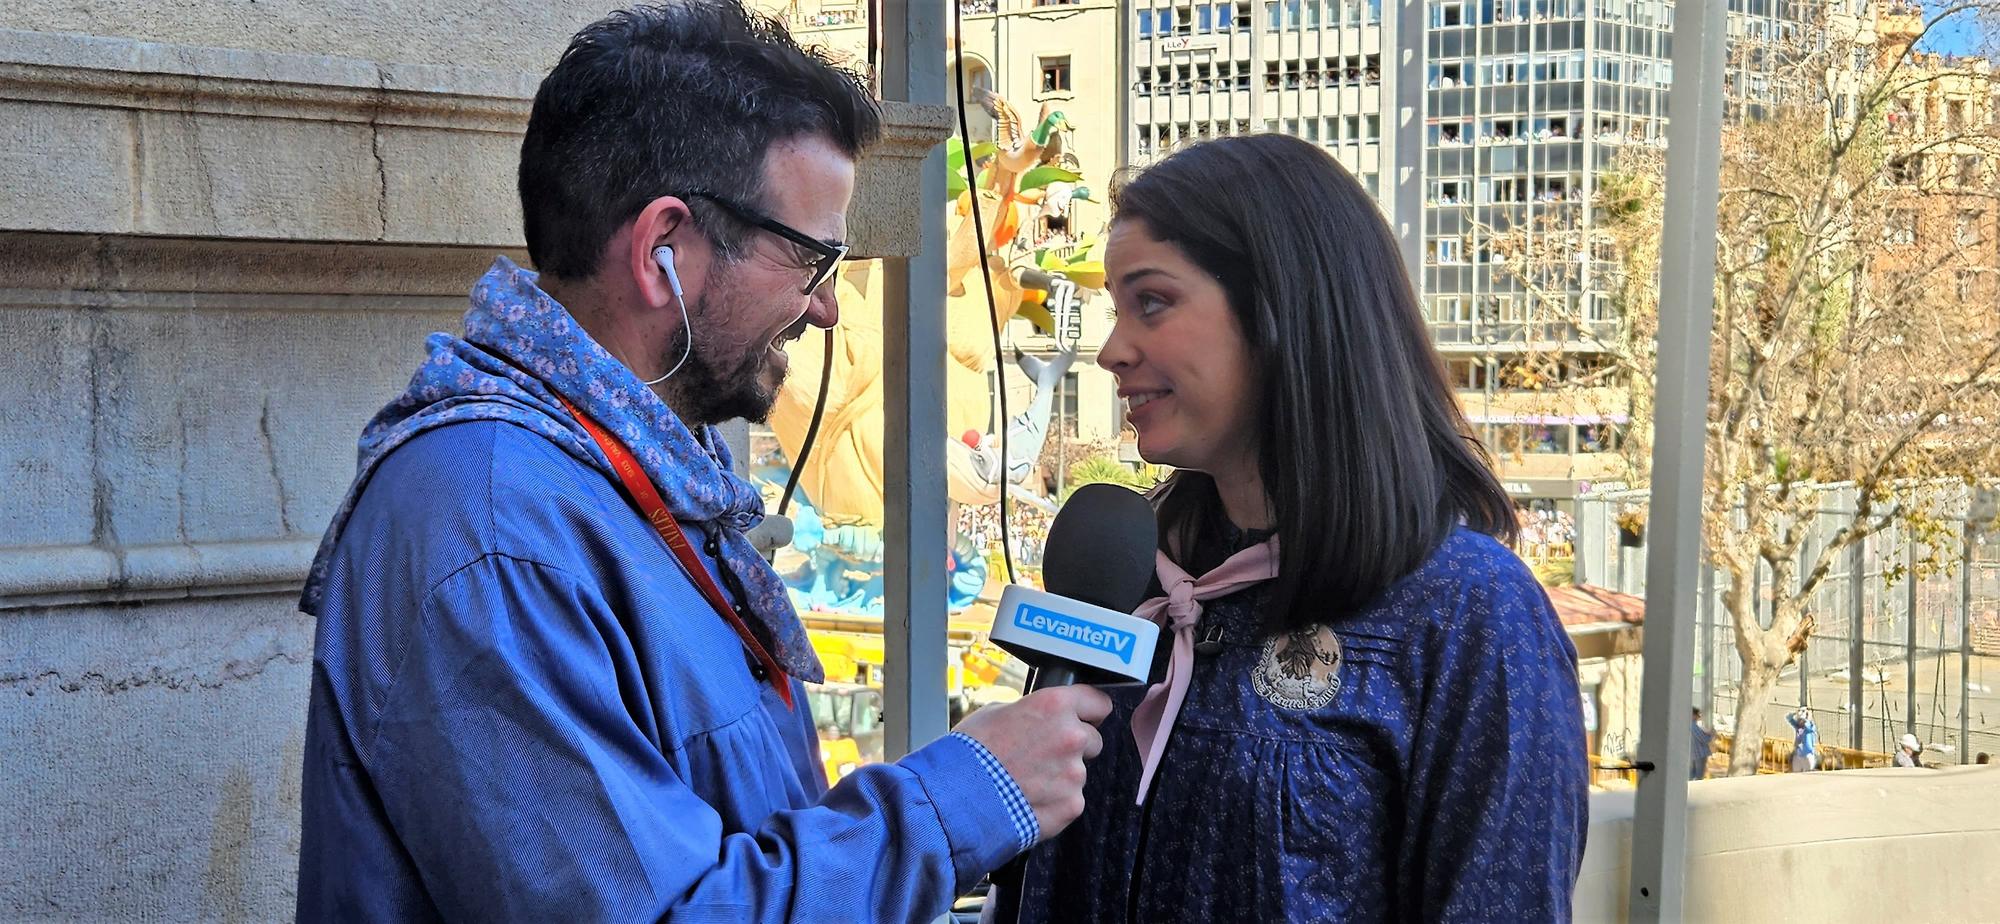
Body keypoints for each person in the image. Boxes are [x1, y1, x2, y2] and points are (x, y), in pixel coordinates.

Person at [294, 3, 1112, 920]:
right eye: (812, 261)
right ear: (663, 254)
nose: (828, 311)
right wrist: (956, 799)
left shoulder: (607, 483)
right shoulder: (491, 528)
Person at [1016, 134, 1589, 921]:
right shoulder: (1131, 577)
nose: (1113, 351)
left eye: (1151, 302)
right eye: (1117, 309)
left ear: (1282, 307)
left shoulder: (1471, 618)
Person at [1788, 706, 1819, 772]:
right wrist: (1795, 713)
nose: (1800, 722)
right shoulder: (1798, 727)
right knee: (1796, 773)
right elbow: (1788, 718)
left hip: (1808, 755)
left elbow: (1809, 727)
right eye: (1799, 720)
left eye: (1802, 720)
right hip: (1798, 754)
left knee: (1808, 774)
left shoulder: (1810, 727)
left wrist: (1807, 718)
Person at [1691, 707, 1715, 780]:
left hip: (1693, 754)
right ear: (1693, 715)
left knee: (1692, 774)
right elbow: (1704, 739)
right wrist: (1711, 734)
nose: (1699, 717)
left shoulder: (1692, 725)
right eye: (1697, 715)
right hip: (1699, 754)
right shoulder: (1693, 726)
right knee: (1698, 776)